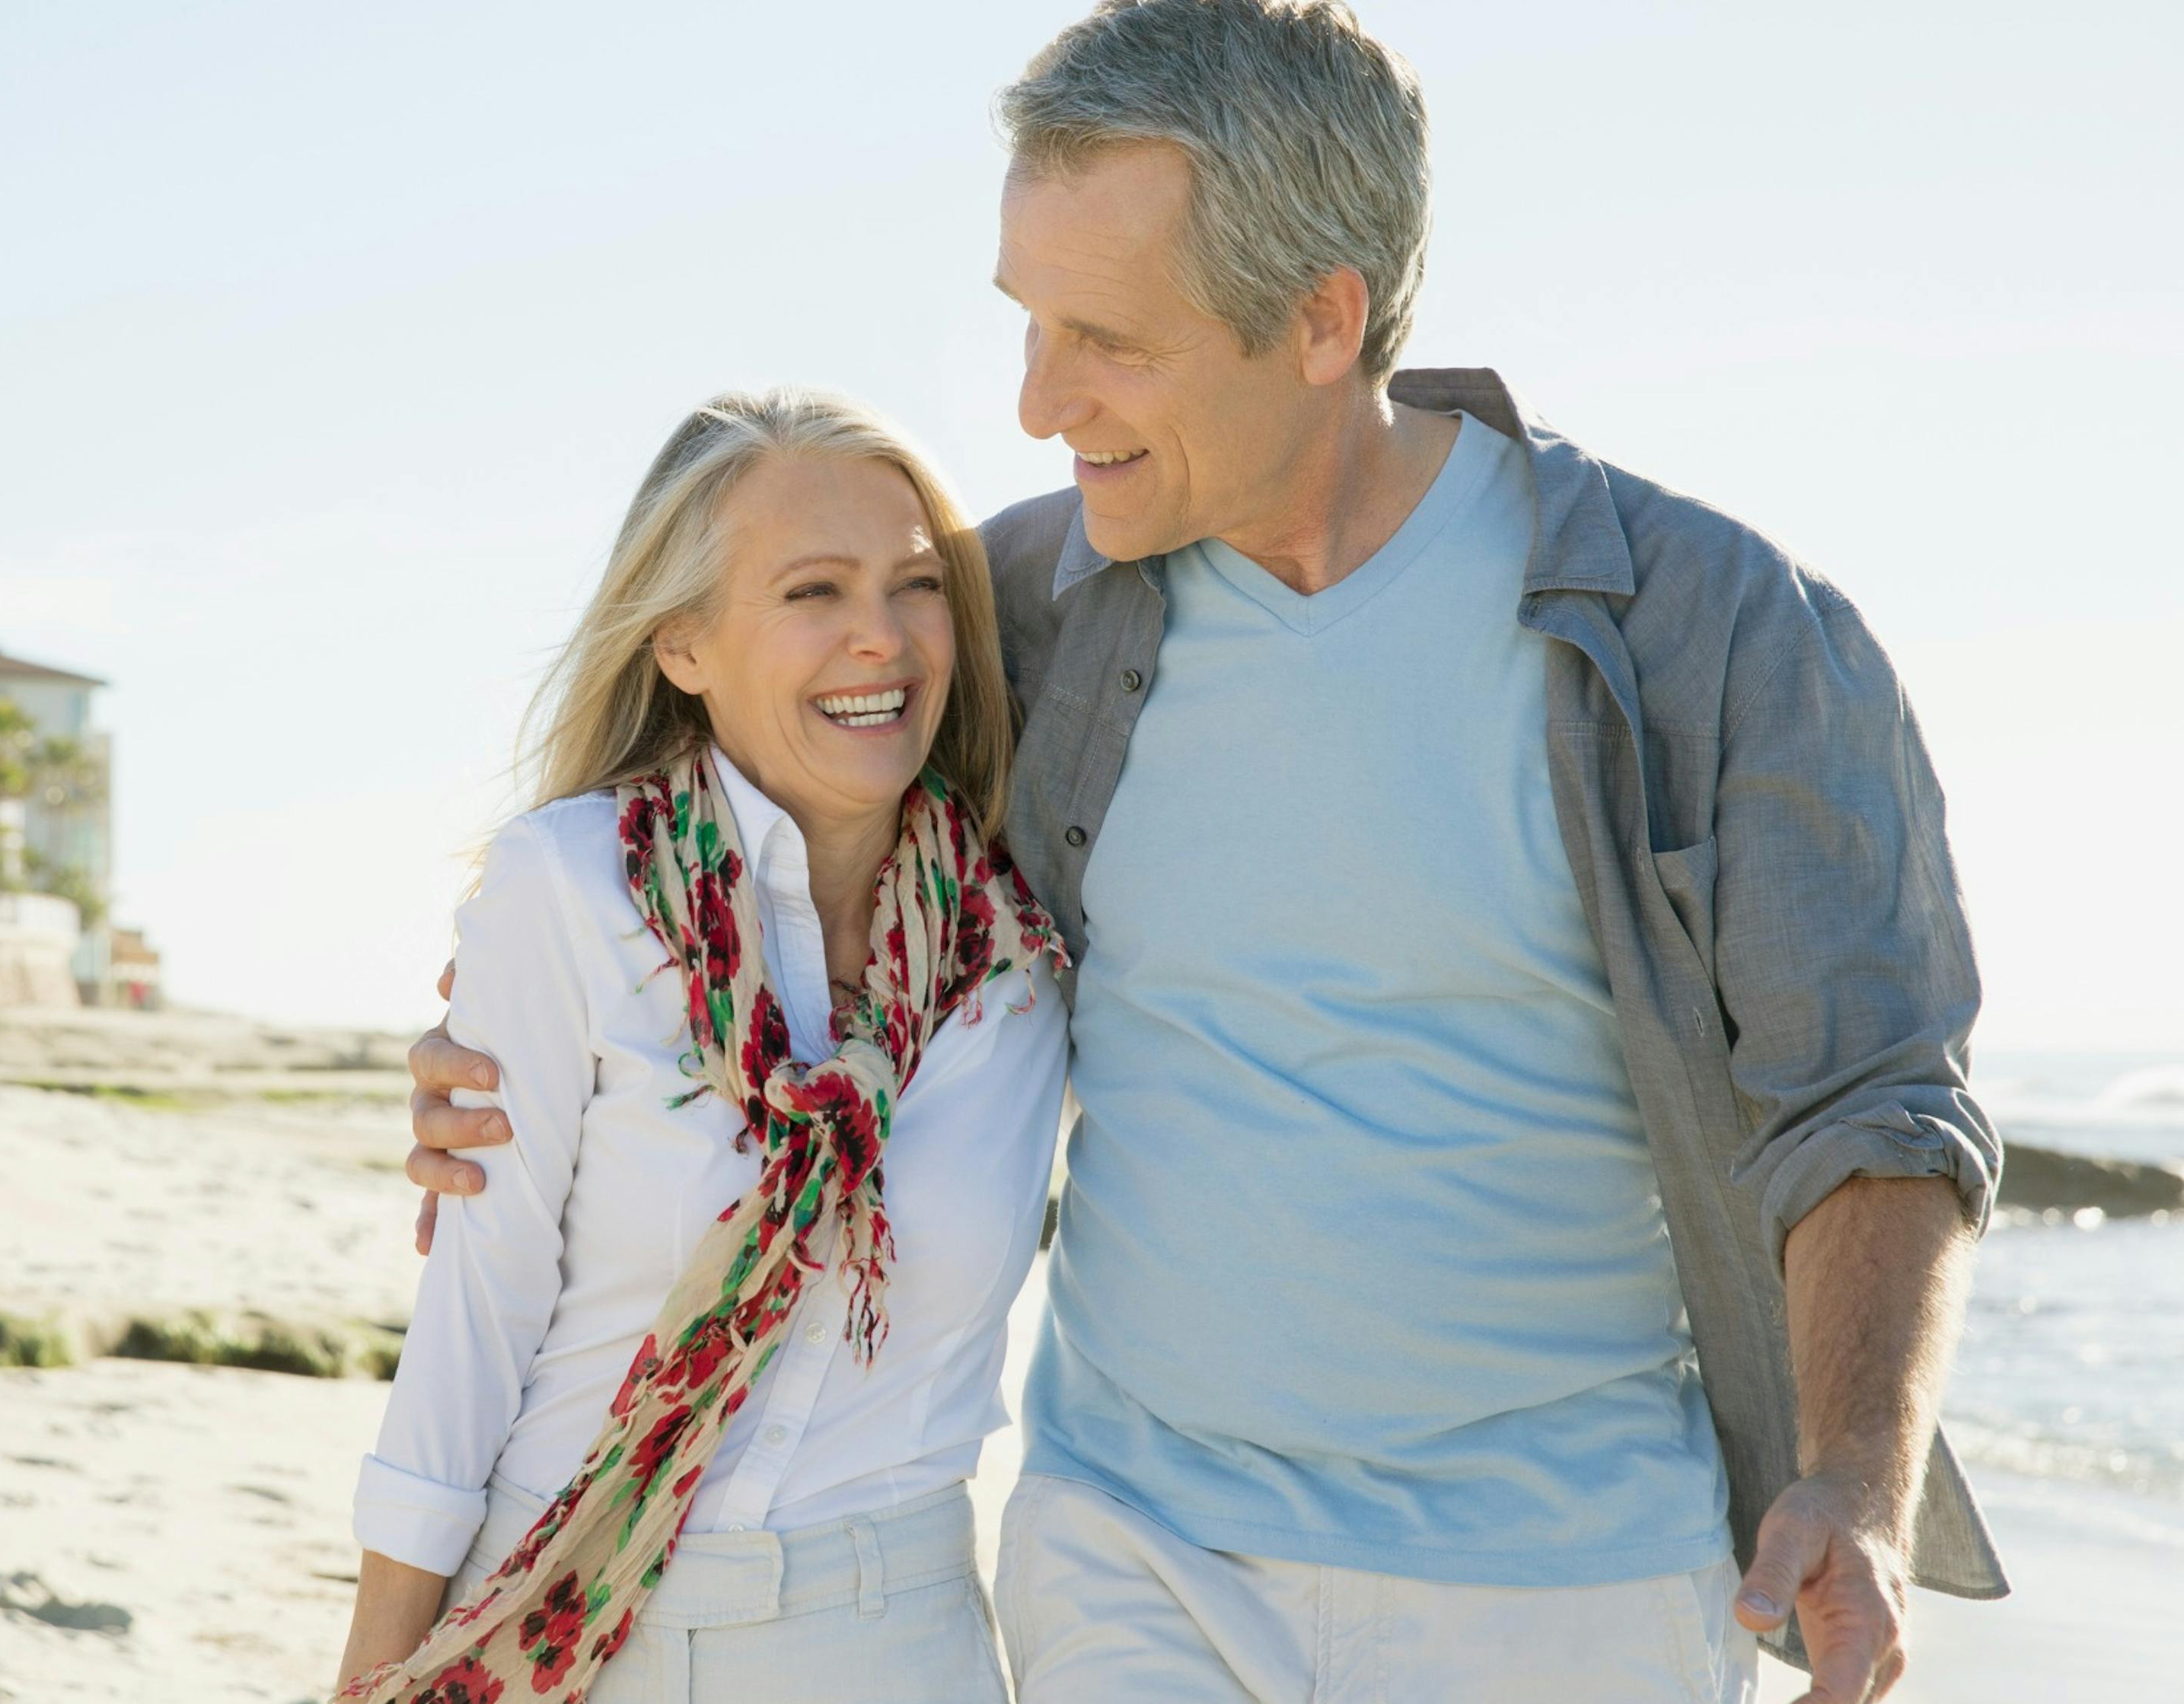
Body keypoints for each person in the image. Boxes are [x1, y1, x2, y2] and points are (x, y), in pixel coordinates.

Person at [402, 4, 2004, 1701]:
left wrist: (1854, 1486)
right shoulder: (1020, 615)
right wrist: (509, 1028)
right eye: (1028, 323)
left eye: (1109, 341)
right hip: (1131, 1556)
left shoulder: (1717, 634)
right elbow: (728, 804)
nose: (1034, 404)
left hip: (1573, 1587)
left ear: (1323, 323)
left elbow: (1874, 1103)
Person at [336, 389, 1067, 1702]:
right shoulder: (570, 892)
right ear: (680, 642)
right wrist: (374, 1670)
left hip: (894, 1644)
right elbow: (474, 1327)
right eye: (811, 593)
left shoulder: (1024, 953)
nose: (880, 640)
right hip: (562, 1615)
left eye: (916, 585)